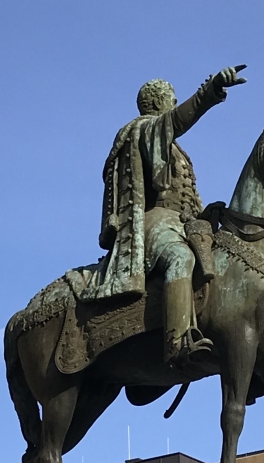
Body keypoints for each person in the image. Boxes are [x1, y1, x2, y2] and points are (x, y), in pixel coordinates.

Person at [91, 66, 248, 364]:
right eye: (171, 99)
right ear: (155, 102)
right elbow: (177, 119)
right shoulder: (142, 129)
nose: (175, 103)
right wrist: (210, 90)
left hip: (181, 223)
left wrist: (208, 213)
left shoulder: (171, 147)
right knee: (180, 257)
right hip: (154, 221)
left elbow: (185, 200)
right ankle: (178, 341)